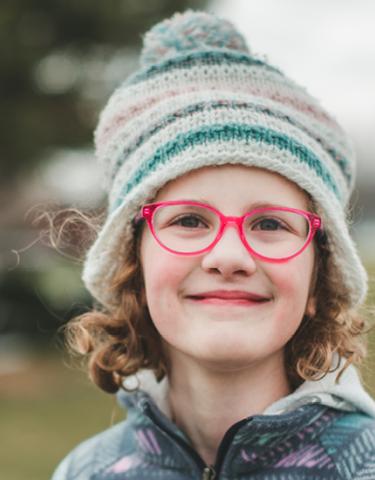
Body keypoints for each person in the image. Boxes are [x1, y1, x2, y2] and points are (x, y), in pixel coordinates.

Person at [52, 10, 375, 480]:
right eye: (188, 220)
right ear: (133, 261)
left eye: (269, 224)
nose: (229, 257)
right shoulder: (84, 472)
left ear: (318, 272)